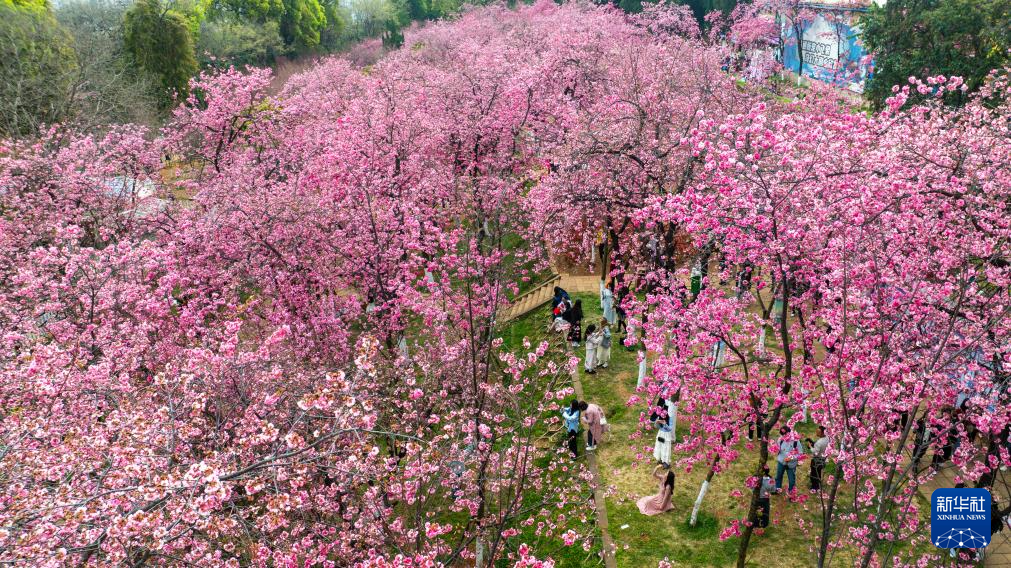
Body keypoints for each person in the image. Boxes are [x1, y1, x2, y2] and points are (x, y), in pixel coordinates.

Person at [774, 426, 804, 494]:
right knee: (778, 476)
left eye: (785, 434)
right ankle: (777, 488)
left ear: (789, 433)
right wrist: (775, 449)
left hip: (791, 464)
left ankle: (791, 493)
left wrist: (791, 458)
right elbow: (778, 448)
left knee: (791, 480)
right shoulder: (780, 439)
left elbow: (800, 454)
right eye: (782, 434)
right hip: (781, 462)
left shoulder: (796, 441)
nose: (783, 436)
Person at [806, 425, 830, 492]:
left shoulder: (819, 442)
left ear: (822, 433)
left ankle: (814, 487)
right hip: (823, 458)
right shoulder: (827, 438)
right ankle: (818, 484)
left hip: (816, 459)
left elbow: (815, 452)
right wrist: (813, 442)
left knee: (813, 474)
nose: (816, 433)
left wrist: (810, 446)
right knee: (818, 472)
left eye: (818, 432)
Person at [652, 398, 674, 466]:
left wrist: (664, 424)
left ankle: (666, 463)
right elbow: (656, 426)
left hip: (666, 435)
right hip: (660, 433)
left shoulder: (670, 417)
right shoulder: (661, 415)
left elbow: (670, 428)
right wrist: (657, 422)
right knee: (659, 446)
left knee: (666, 448)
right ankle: (660, 459)